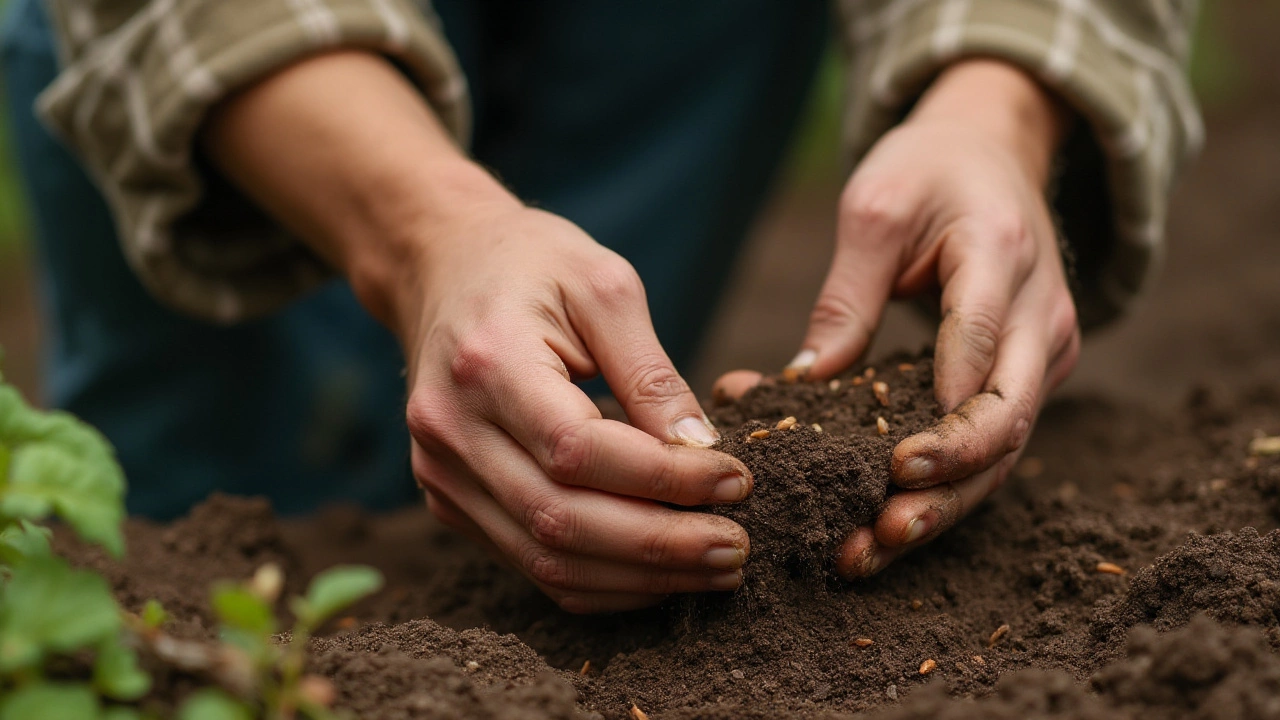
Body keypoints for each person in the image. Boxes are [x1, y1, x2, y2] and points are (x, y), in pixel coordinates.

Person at [1, 0, 1199, 613]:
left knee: (580, 464)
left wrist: (991, 105)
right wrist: (424, 233)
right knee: (209, 556)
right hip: (232, 62)